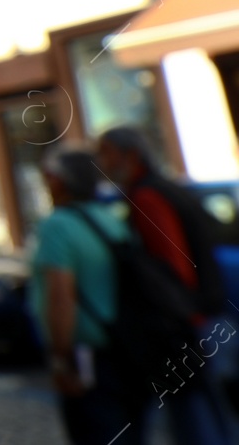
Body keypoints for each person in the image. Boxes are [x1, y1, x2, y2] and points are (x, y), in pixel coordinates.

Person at [97, 126, 231, 444]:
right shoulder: (160, 190)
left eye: (105, 153)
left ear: (129, 156)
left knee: (196, 415)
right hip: (195, 317)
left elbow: (173, 268)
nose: (101, 162)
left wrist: (177, 318)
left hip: (184, 324)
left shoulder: (148, 196)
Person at [31, 147, 147, 445]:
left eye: (49, 176)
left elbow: (60, 297)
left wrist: (60, 359)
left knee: (95, 432)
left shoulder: (58, 226)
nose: (46, 182)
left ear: (59, 181)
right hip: (128, 346)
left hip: (88, 356)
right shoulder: (110, 219)